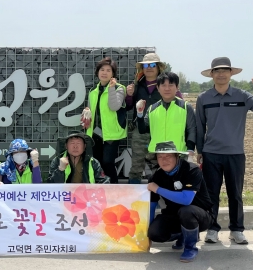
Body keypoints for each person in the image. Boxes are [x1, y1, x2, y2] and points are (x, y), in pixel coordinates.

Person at [196, 57, 253, 245]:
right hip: (211, 153)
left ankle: (236, 230)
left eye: (225, 70)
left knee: (235, 194)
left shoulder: (242, 96)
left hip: (235, 153)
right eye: (217, 70)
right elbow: (200, 126)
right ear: (212, 74)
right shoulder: (203, 98)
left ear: (231, 73)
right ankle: (212, 229)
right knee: (211, 194)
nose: (221, 74)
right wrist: (200, 150)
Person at [147, 141, 213, 263]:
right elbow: (151, 206)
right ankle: (182, 234)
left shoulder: (191, 170)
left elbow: (186, 200)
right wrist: (146, 235)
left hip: (199, 215)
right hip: (174, 215)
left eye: (168, 156)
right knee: (154, 233)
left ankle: (190, 248)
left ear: (177, 156)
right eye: (160, 157)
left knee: (186, 211)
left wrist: (158, 189)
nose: (164, 160)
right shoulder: (156, 177)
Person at [125, 53, 184, 184]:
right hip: (140, 131)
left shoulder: (166, 84)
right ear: (142, 68)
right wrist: (129, 95)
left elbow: (180, 105)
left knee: (162, 163)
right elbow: (129, 106)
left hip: (162, 130)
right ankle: (134, 193)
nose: (149, 68)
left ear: (158, 67)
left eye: (152, 65)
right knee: (136, 166)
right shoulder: (136, 84)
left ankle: (162, 192)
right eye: (146, 65)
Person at [82, 57, 127, 184]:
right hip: (95, 133)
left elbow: (114, 106)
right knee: (96, 163)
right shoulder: (93, 91)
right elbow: (91, 108)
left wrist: (111, 88)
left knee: (108, 162)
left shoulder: (119, 88)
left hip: (111, 134)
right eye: (102, 69)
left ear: (113, 74)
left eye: (108, 70)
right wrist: (87, 110)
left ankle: (114, 189)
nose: (105, 73)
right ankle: (100, 189)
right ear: (97, 72)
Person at [137, 72, 196, 157]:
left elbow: (192, 130)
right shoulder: (151, 109)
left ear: (177, 87)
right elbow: (142, 130)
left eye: (171, 85)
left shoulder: (186, 107)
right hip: (156, 155)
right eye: (163, 85)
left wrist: (190, 149)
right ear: (158, 88)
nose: (167, 88)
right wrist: (139, 113)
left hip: (178, 154)